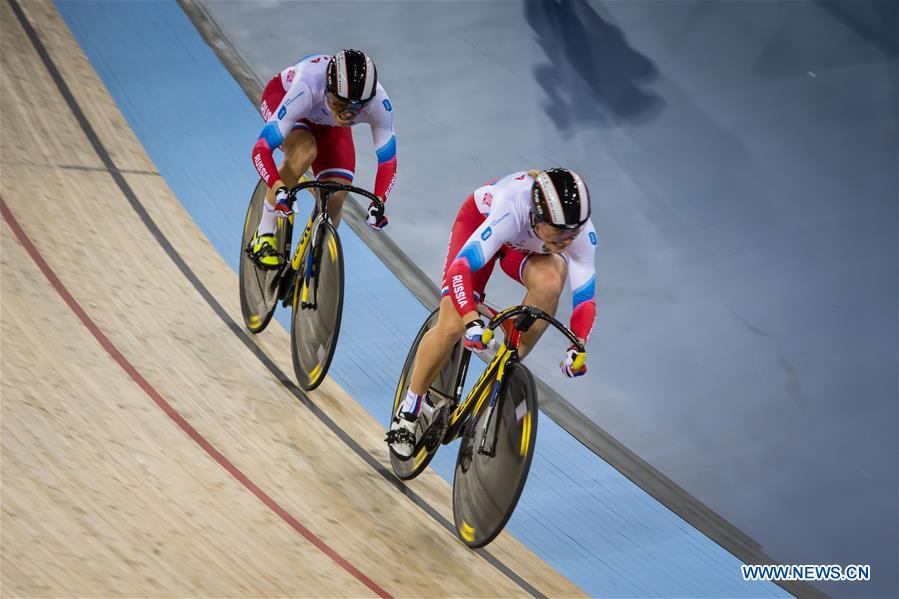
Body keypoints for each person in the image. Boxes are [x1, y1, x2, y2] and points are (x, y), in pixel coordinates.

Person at [387, 168, 597, 459]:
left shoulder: (578, 233)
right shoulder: (512, 208)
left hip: (524, 247)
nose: (568, 240)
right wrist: (471, 320)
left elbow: (585, 299)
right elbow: (461, 269)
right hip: (481, 224)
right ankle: (408, 411)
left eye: (574, 231)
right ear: (537, 215)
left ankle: (503, 366)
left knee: (551, 283)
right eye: (561, 231)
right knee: (451, 326)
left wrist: (579, 344)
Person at [247, 49, 397, 267]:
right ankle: (263, 234)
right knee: (304, 152)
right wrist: (278, 187)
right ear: (328, 89)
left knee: (337, 192)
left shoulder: (378, 104)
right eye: (339, 104)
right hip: (284, 98)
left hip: (327, 122)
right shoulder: (307, 86)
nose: (346, 115)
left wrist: (379, 201)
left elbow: (388, 161)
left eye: (355, 110)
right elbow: (260, 150)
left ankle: (312, 266)